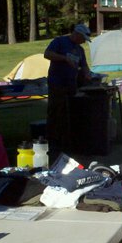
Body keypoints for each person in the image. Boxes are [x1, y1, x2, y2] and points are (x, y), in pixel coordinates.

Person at [44, 23, 92, 158]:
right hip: (57, 83)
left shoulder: (80, 50)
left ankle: (67, 141)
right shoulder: (59, 42)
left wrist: (87, 74)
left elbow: (84, 65)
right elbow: (47, 54)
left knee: (69, 112)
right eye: (82, 38)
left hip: (71, 84)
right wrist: (64, 58)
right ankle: (52, 142)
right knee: (55, 112)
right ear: (76, 34)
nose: (83, 42)